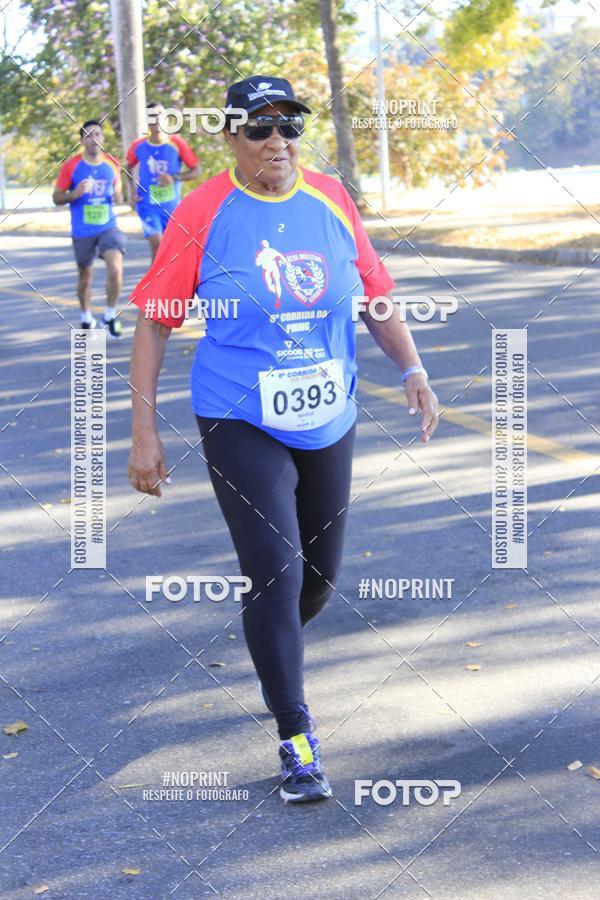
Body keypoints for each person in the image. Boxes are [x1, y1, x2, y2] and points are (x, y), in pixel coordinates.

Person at [127, 76, 439, 803]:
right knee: (276, 572)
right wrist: (143, 432)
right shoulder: (203, 212)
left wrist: (412, 367)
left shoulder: (330, 196)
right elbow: (154, 319)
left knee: (317, 581)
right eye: (260, 128)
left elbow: (372, 290)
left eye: (289, 126)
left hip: (328, 411)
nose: (278, 141)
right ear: (230, 137)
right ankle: (295, 736)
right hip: (239, 415)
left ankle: (273, 642)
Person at [53, 120, 126, 336]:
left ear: (103, 139)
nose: (94, 139)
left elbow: (118, 191)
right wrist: (73, 194)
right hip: (82, 229)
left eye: (98, 134)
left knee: (116, 269)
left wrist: (121, 196)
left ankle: (110, 316)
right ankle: (86, 317)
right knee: (85, 277)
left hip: (108, 227)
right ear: (82, 141)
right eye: (89, 135)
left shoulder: (112, 163)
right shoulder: (72, 166)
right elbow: (56, 197)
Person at [125, 101, 201, 261]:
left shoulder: (177, 143)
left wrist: (174, 177)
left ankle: (170, 284)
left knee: (173, 252)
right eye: (152, 116)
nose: (157, 119)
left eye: (160, 115)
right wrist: (131, 190)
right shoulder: (138, 146)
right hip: (147, 205)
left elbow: (196, 171)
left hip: (172, 208)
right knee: (157, 243)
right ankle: (156, 285)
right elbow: (127, 167)